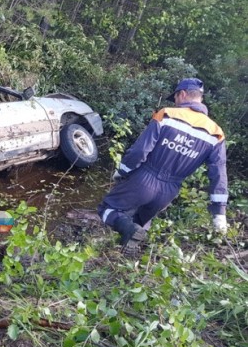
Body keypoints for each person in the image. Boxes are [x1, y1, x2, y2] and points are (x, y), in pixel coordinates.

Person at [97, 78, 228, 257]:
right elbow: (218, 173)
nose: (174, 101)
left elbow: (141, 150)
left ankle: (127, 236)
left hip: (144, 179)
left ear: (181, 94)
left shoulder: (167, 115)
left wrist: (122, 171)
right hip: (169, 191)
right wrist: (219, 212)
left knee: (108, 209)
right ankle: (127, 260)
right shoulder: (216, 133)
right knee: (140, 222)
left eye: (175, 97)